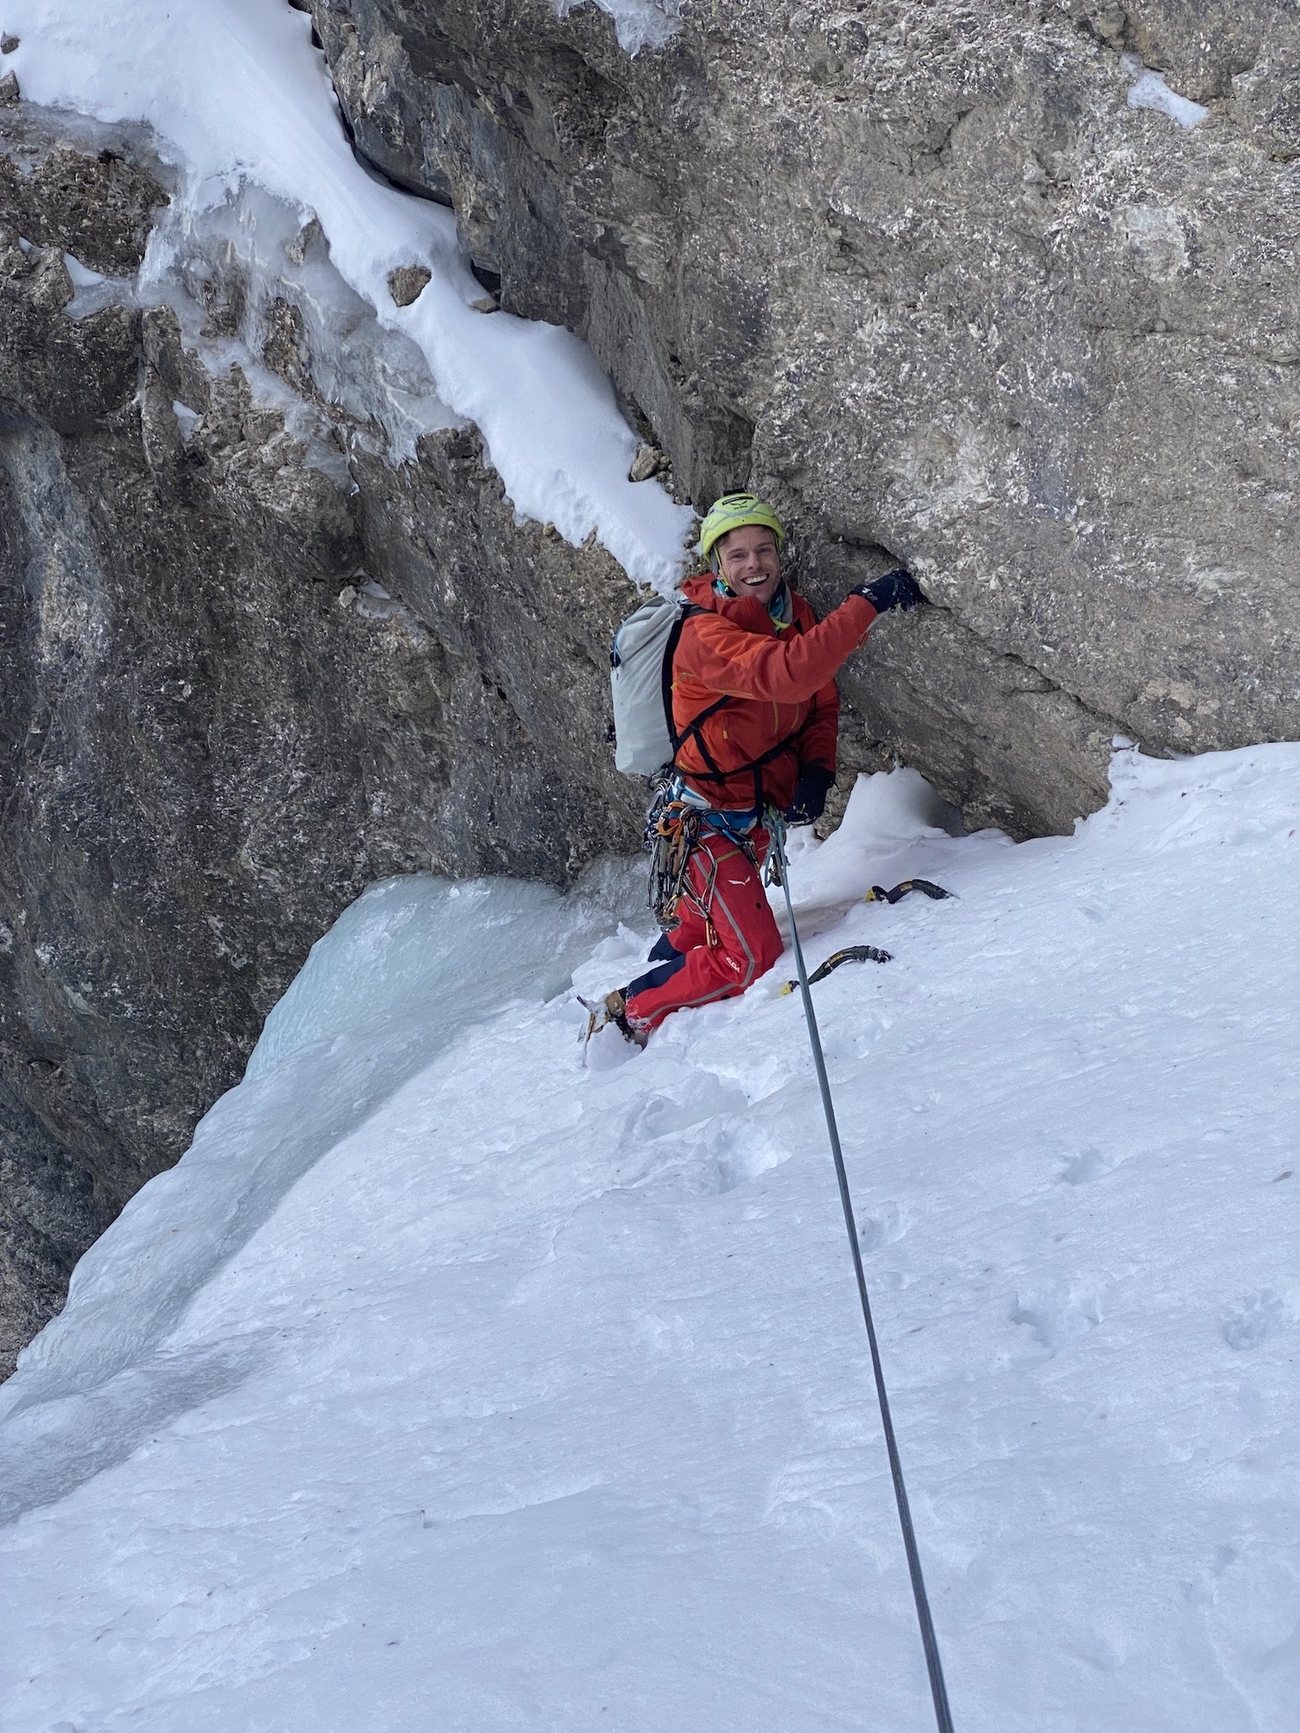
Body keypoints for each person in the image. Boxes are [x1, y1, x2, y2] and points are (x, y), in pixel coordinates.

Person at [600, 492, 923, 1046]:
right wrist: (865, 603)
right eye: (738, 555)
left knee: (703, 932)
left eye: (764, 550)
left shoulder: (794, 615)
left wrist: (817, 770)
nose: (755, 565)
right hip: (704, 821)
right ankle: (630, 1011)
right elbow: (789, 676)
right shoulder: (705, 635)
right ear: (716, 566)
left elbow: (818, 700)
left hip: (752, 819)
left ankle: (666, 966)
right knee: (750, 958)